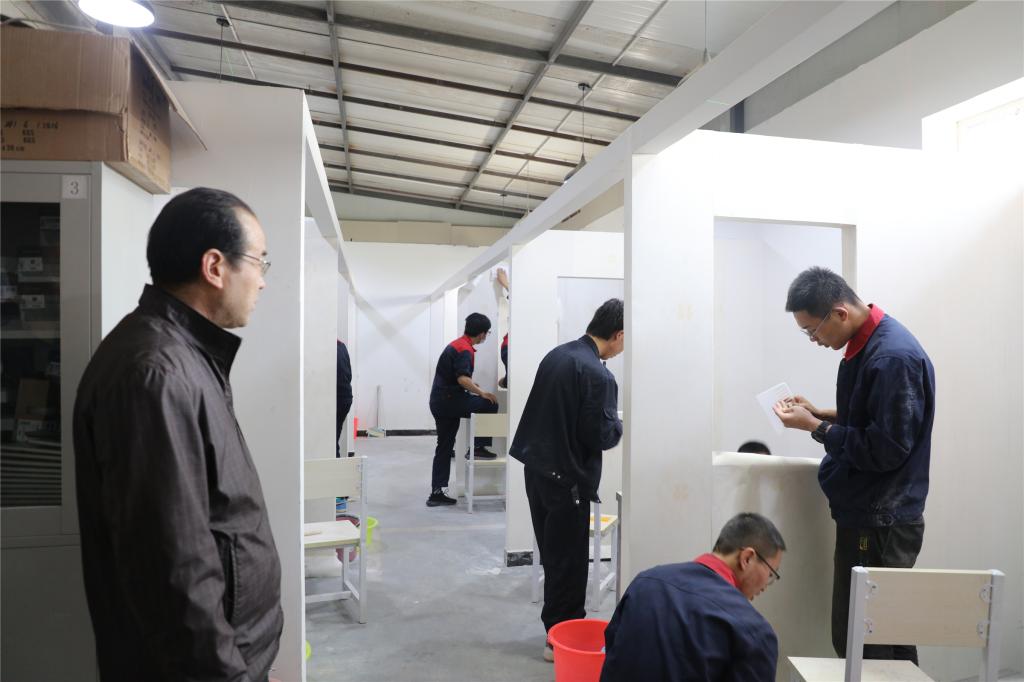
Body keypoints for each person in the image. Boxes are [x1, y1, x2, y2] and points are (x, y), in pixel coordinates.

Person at [73, 188, 283, 680]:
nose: (262, 280)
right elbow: (174, 567)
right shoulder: (155, 374)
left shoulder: (183, 355)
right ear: (215, 267)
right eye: (259, 262)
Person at [773, 266, 934, 664]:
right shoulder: (869, 345)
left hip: (880, 522)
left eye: (812, 331)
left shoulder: (892, 357)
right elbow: (873, 419)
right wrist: (820, 413)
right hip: (871, 515)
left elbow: (886, 449)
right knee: (884, 638)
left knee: (866, 644)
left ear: (840, 313)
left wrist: (816, 427)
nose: (814, 340)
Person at [510, 298, 624, 661]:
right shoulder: (599, 375)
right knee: (570, 565)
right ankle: (559, 641)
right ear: (618, 335)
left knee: (553, 556)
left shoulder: (557, 355)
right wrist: (618, 424)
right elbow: (599, 435)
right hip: (567, 480)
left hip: (536, 469)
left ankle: (554, 631)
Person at [601, 512, 785, 681]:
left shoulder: (645, 582)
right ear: (747, 558)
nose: (766, 585)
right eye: (771, 574)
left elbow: (612, 653)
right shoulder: (753, 633)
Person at [427, 312, 499, 507]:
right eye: (487, 333)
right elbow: (462, 379)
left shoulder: (458, 344)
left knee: (444, 446)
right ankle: (478, 448)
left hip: (439, 402)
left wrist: (472, 386)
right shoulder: (465, 349)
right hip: (449, 401)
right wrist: (481, 392)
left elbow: (457, 378)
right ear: (482, 333)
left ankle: (436, 492)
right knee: (490, 404)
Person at [336, 339, 353, 457]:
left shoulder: (328, 348)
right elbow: (349, 374)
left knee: (331, 440)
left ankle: (334, 464)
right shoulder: (341, 345)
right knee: (334, 437)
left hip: (338, 398)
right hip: (346, 397)